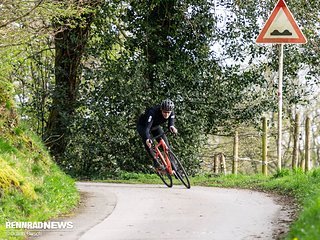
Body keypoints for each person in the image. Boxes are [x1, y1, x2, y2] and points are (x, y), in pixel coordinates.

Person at [137, 99, 178, 169]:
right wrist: (147, 139)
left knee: (166, 146)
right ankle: (155, 161)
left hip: (155, 127)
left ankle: (176, 169)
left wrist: (172, 128)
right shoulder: (153, 112)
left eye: (168, 112)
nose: (167, 114)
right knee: (148, 142)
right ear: (161, 109)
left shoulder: (171, 112)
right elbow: (147, 129)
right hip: (143, 126)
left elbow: (171, 125)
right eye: (165, 112)